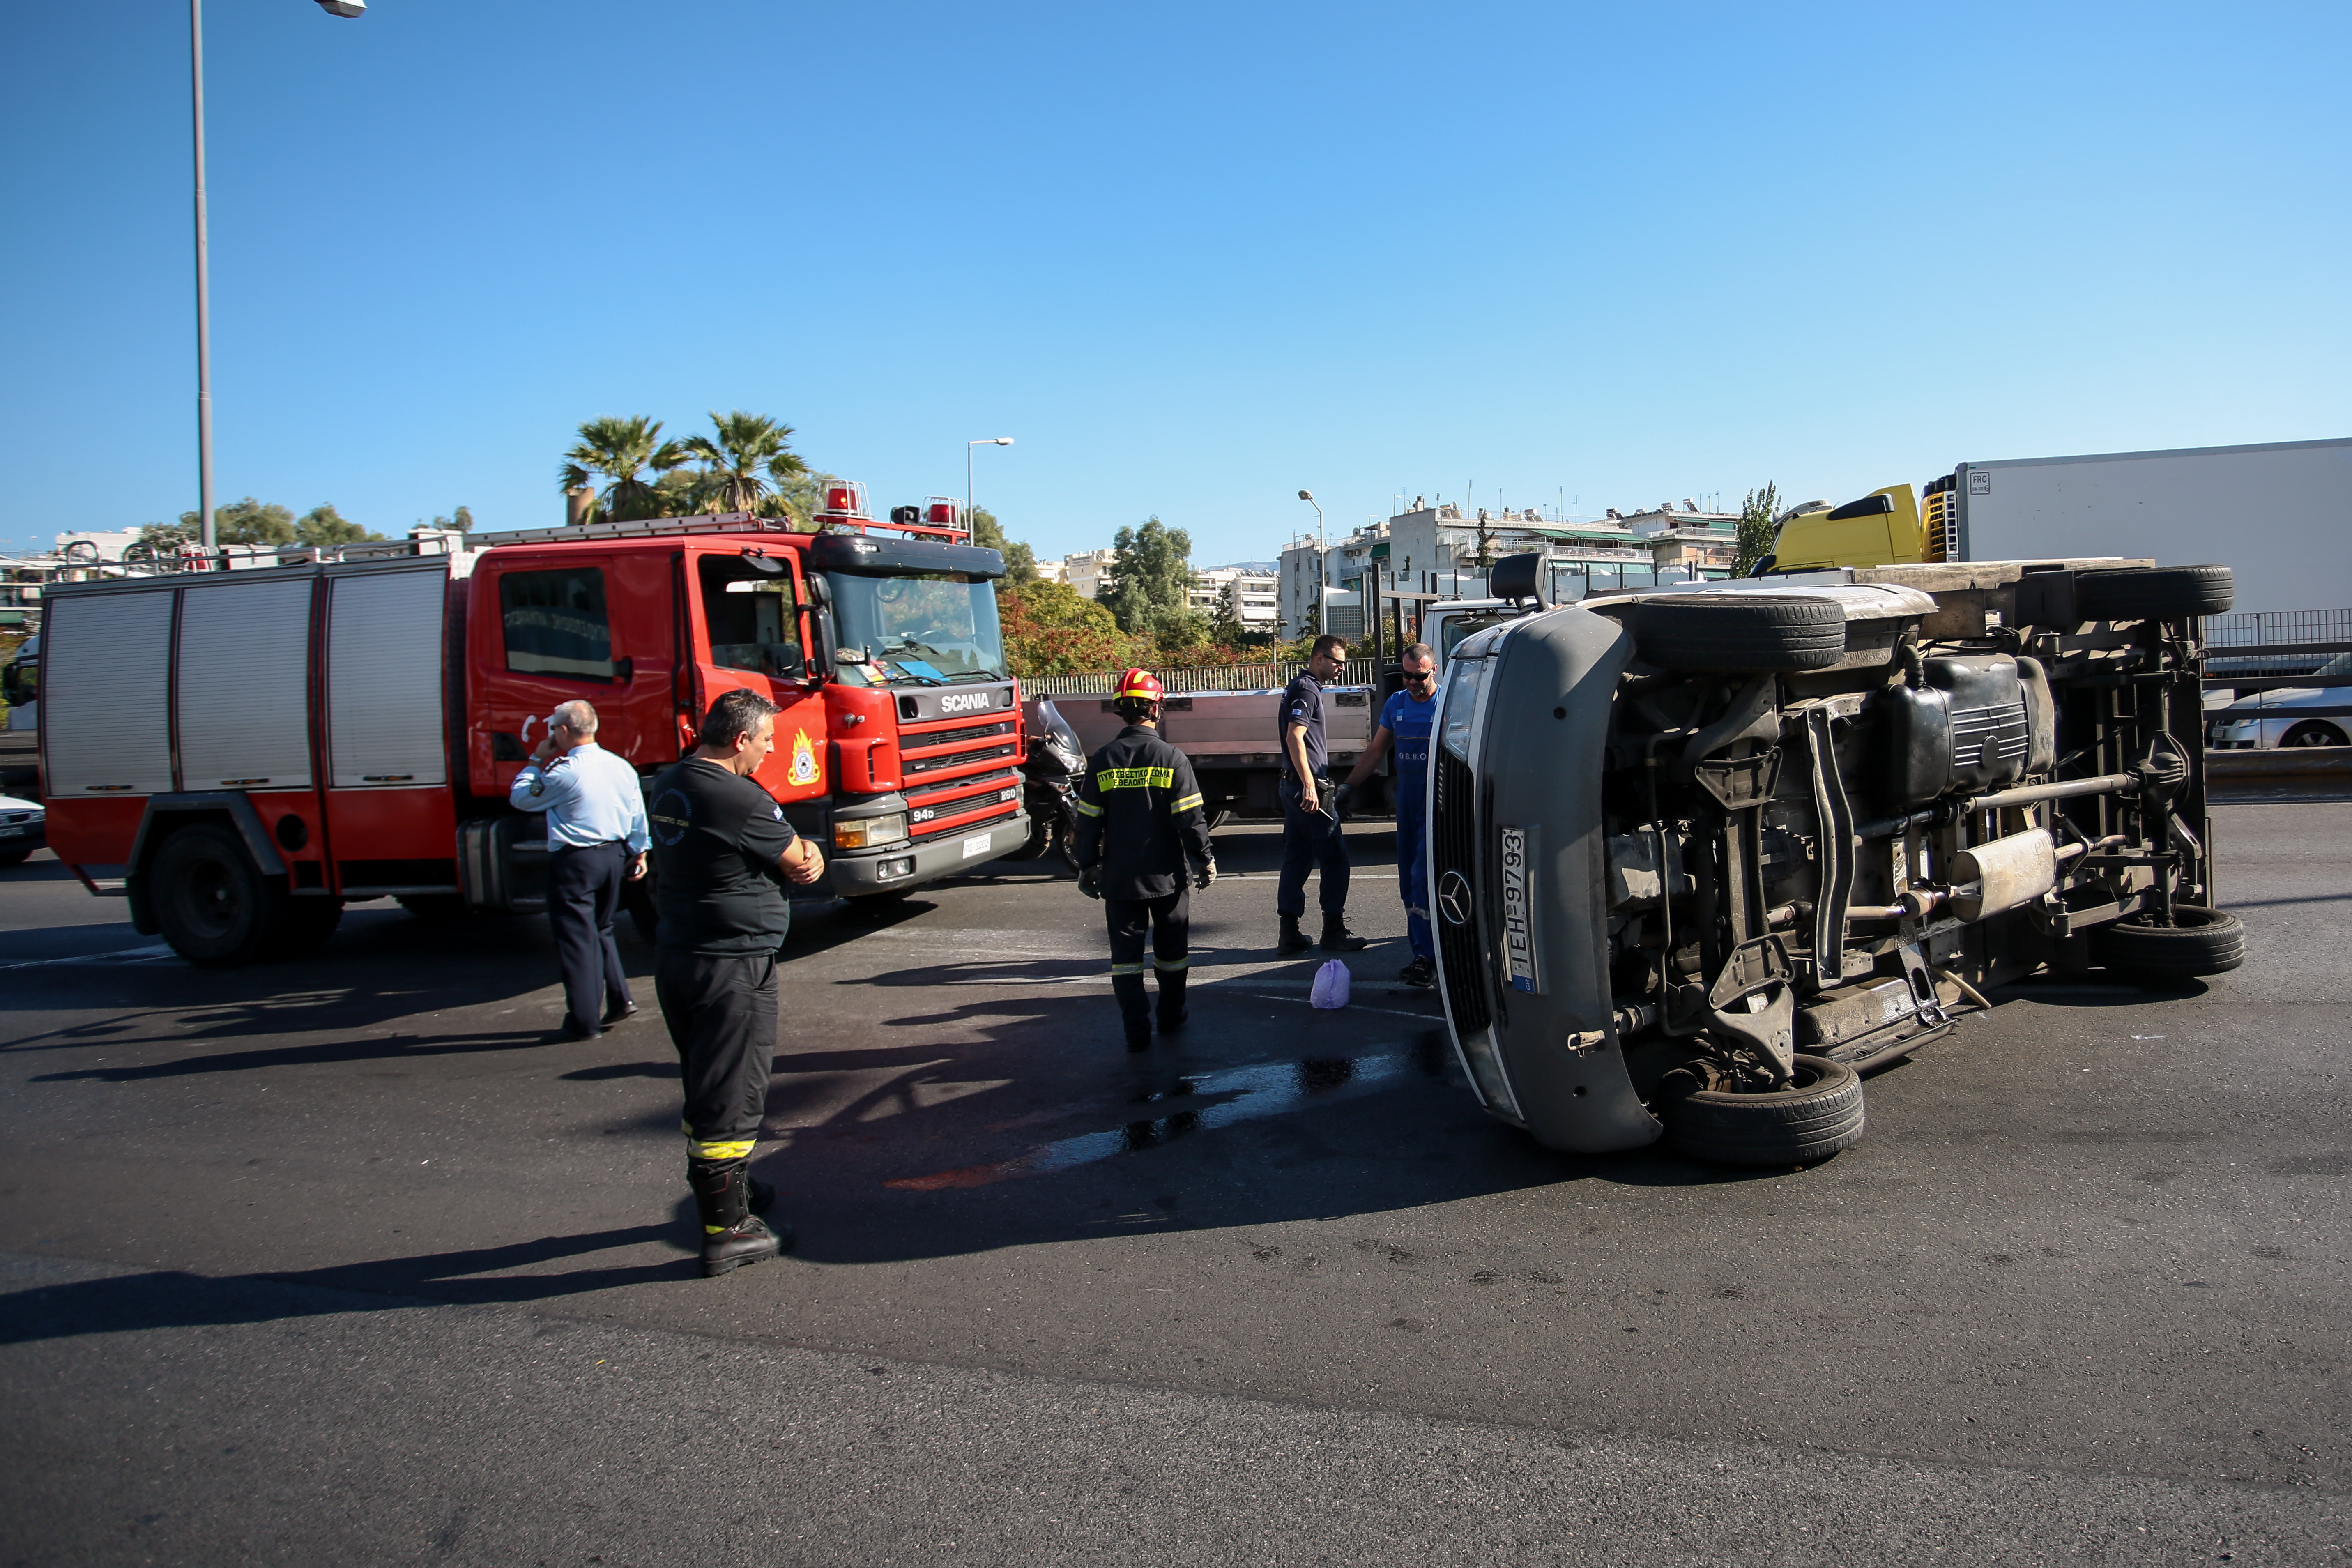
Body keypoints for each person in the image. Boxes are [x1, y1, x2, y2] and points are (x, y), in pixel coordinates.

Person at [645, 688, 826, 1278]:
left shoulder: (671, 780)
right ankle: (727, 1229)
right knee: (731, 1092)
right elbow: (798, 859)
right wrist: (813, 849)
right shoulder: (736, 796)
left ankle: (736, 1187)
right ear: (741, 738)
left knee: (706, 1080)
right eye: (768, 741)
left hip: (681, 954)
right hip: (731, 965)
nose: (771, 752)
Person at [1072, 668, 1217, 1052]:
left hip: (1120, 880)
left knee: (1125, 961)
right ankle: (1171, 1016)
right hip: (1167, 877)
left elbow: (1086, 823)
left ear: (1121, 710)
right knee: (1172, 955)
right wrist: (1204, 859)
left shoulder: (1102, 760)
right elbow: (1191, 820)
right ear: (1157, 709)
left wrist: (1086, 865)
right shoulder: (1172, 757)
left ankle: (1136, 1031)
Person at [508, 698, 650, 1041]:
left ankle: (583, 1021)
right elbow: (637, 813)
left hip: (577, 861)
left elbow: (521, 798)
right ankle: (620, 999)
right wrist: (641, 852)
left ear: (561, 731)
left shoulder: (564, 771)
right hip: (615, 855)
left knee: (576, 940)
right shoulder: (621, 766)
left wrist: (536, 759)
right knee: (602, 928)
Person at [1337, 642, 1441, 988]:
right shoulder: (1397, 704)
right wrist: (1348, 788)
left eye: (1419, 676)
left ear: (1434, 671)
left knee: (1424, 880)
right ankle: (1422, 955)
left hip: (1436, 803)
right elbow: (1376, 750)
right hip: (1408, 803)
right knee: (1408, 886)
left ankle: (1434, 956)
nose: (1411, 682)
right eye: (1406, 675)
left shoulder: (1447, 705)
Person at [1274, 633, 1369, 956]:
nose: (1341, 668)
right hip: (1306, 787)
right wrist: (1311, 785)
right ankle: (1333, 931)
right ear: (1319, 658)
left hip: (1293, 784)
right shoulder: (1306, 688)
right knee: (1335, 859)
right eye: (1337, 662)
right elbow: (1294, 737)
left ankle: (1290, 934)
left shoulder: (1301, 686)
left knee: (1298, 858)